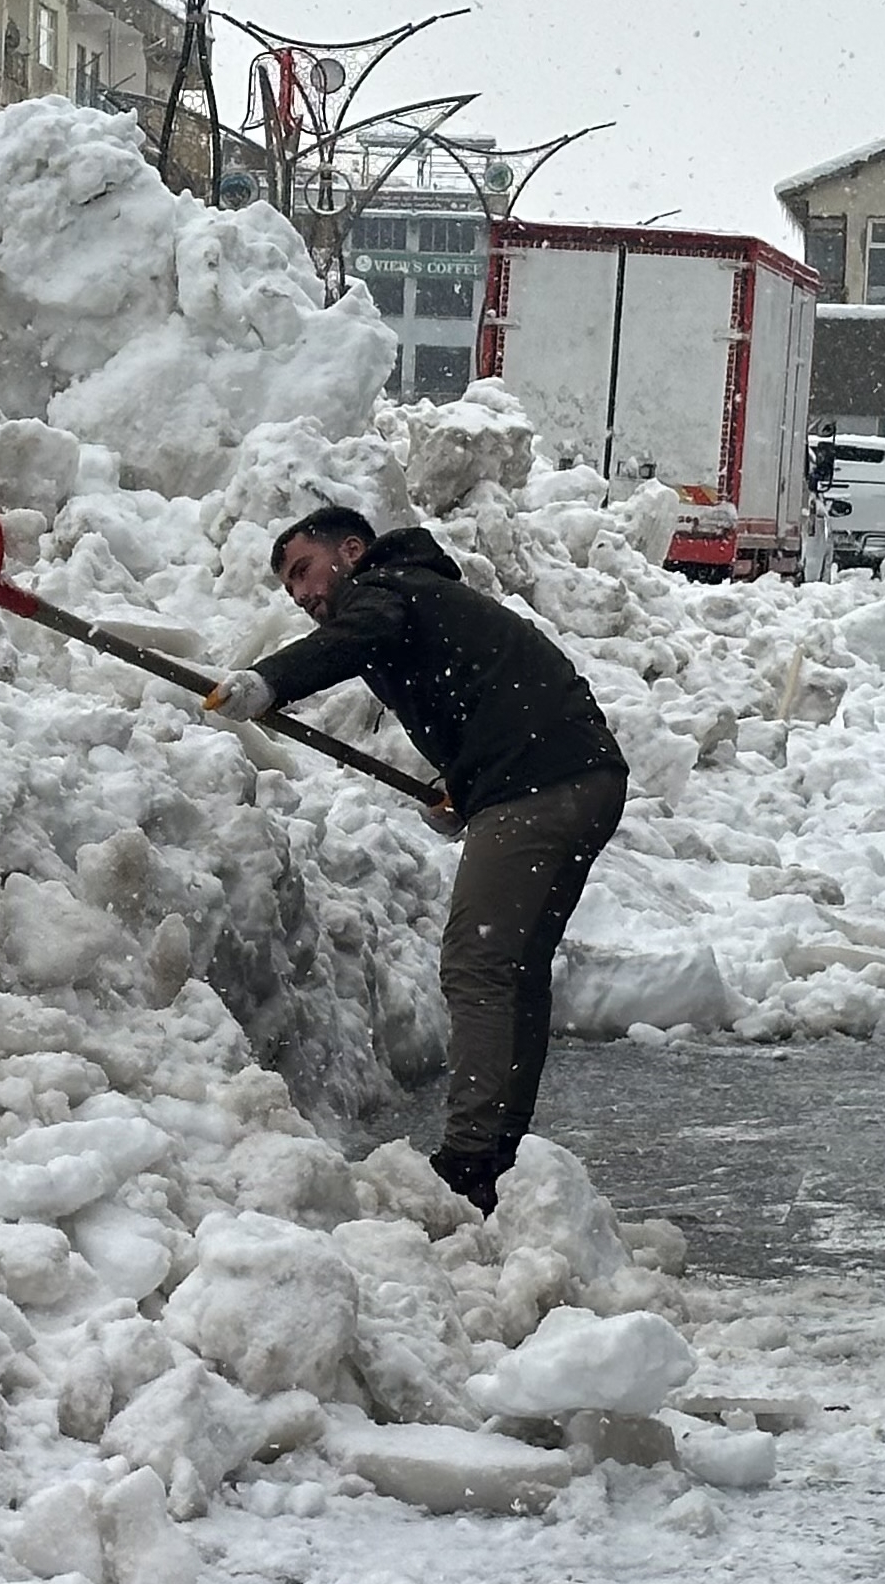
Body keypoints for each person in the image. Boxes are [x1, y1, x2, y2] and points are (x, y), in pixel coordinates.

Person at [205, 508, 630, 1206]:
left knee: (478, 962)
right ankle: (498, 1154)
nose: (303, 595)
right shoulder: (417, 596)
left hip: (541, 784)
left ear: (350, 550)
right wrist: (464, 787)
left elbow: (357, 636)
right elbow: (477, 698)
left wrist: (267, 680)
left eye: (304, 572)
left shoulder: (387, 591)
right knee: (512, 969)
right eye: (288, 589)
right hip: (565, 777)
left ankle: (471, 1160)